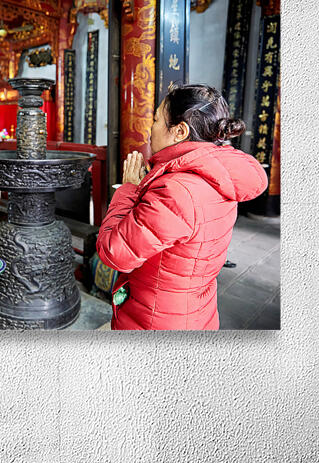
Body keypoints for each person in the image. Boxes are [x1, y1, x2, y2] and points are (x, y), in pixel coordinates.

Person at [96, 84, 268, 330]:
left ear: (179, 131)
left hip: (157, 318)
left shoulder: (176, 190)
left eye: (156, 120)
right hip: (196, 310)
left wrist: (128, 191)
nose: (150, 128)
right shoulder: (219, 173)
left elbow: (114, 253)